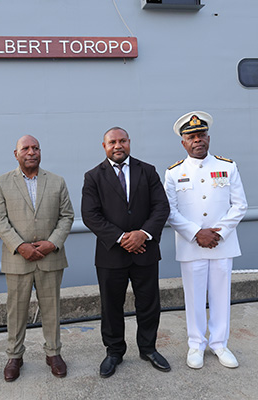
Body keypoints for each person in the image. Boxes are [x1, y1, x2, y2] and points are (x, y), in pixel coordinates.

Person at [81, 127, 171, 378]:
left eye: (122, 141)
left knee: (149, 303)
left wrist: (143, 234)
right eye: (112, 142)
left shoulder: (148, 171)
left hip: (146, 251)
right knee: (111, 306)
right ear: (104, 146)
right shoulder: (93, 177)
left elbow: (161, 207)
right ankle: (114, 351)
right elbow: (90, 215)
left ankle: (148, 348)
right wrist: (122, 238)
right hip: (111, 254)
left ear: (129, 143)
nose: (117, 145)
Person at [164, 111, 247, 370]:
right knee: (194, 296)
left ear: (208, 138)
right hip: (191, 245)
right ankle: (196, 344)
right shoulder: (173, 173)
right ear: (183, 142)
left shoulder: (227, 167)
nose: (197, 140)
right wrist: (196, 233)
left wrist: (218, 232)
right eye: (191, 136)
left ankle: (220, 343)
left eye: (201, 135)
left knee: (222, 295)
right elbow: (169, 210)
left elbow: (240, 205)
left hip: (222, 244)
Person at [0, 135, 74, 382]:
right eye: (25, 148)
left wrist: (52, 243)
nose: (31, 152)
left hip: (51, 258)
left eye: (35, 148)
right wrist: (20, 246)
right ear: (15, 153)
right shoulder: (2, 183)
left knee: (52, 308)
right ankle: (14, 356)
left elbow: (67, 216)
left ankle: (53, 353)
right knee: (16, 311)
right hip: (18, 259)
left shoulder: (57, 182)